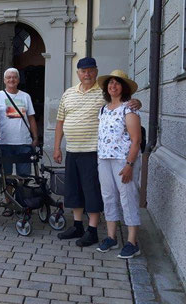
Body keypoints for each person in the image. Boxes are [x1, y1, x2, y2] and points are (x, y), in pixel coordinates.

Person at [53, 57, 140, 247]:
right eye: (83, 71)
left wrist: (137, 102)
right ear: (78, 73)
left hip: (93, 151)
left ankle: (92, 230)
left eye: (91, 70)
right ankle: (77, 225)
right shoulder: (68, 94)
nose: (87, 74)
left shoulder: (104, 93)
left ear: (96, 72)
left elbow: (123, 102)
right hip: (72, 150)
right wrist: (57, 147)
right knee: (73, 189)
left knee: (92, 190)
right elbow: (60, 121)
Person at [95, 70, 143, 259]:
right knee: (108, 197)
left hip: (123, 160)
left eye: (117, 83)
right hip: (104, 159)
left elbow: (136, 139)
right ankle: (111, 237)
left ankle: (132, 242)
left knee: (128, 197)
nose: (113, 86)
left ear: (123, 88)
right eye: (110, 83)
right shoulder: (104, 109)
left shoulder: (129, 109)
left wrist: (130, 164)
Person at [0, 68, 39, 216]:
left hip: (23, 142)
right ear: (4, 80)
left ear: (18, 80)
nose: (11, 80)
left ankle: (22, 201)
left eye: (14, 77)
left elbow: (31, 118)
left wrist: (35, 137)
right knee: (7, 175)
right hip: (4, 142)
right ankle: (8, 203)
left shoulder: (26, 96)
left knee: (23, 175)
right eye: (8, 77)